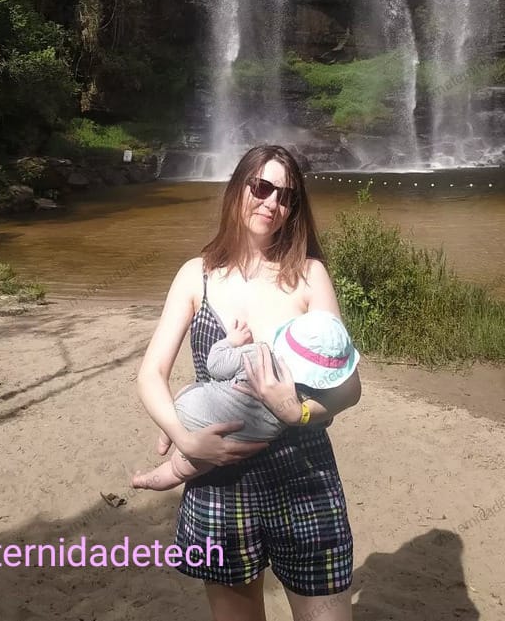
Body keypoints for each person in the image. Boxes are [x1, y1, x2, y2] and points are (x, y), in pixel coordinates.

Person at [135, 144, 361, 621]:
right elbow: (150, 374)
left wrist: (295, 410)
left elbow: (349, 387)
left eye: (287, 197)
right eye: (262, 187)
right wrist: (187, 440)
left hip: (306, 473)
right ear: (238, 188)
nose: (272, 203)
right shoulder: (195, 276)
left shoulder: (310, 275)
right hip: (219, 481)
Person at [133, 309, 360, 490]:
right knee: (177, 470)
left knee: (189, 392)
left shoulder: (257, 355)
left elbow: (215, 365)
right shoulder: (307, 400)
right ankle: (145, 481)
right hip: (221, 445)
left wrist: (231, 341)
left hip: (191, 406)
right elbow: (322, 417)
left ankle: (166, 436)